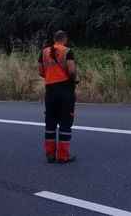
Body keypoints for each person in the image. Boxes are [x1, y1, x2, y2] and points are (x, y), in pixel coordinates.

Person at [38, 30, 77, 164]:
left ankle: (50, 154)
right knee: (65, 122)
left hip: (50, 91)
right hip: (65, 90)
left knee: (50, 122)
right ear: (64, 39)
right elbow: (71, 70)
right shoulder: (67, 51)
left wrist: (50, 76)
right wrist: (73, 78)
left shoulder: (44, 52)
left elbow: (41, 71)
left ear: (54, 39)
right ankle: (63, 156)